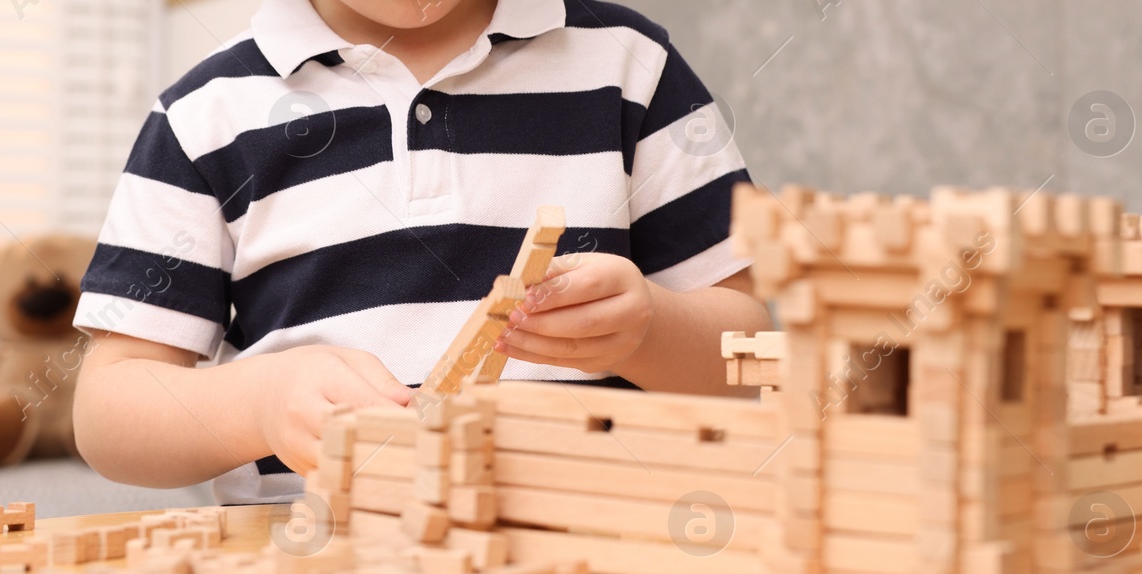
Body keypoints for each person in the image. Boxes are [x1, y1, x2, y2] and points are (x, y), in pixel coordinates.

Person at [70, 0, 772, 503]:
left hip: (602, 543)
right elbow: (109, 411)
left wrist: (647, 331)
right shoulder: (203, 117)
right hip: (310, 564)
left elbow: (755, 354)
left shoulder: (630, 66)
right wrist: (257, 402)